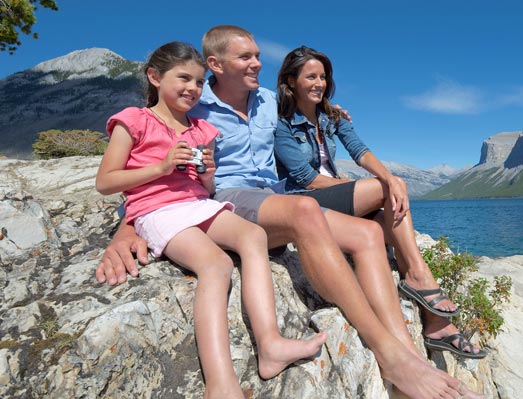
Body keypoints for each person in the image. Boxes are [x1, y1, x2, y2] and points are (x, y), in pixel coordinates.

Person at [97, 26, 481, 399]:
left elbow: (310, 111)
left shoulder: (268, 101)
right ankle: (387, 352)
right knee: (304, 209)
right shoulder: (192, 103)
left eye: (258, 56)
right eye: (245, 57)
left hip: (273, 198)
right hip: (231, 196)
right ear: (214, 64)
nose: (257, 63)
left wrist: (331, 109)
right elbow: (151, 166)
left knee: (368, 235)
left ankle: (409, 357)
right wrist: (129, 225)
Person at [94, 42, 326, 399]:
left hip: (197, 204)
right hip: (156, 210)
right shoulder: (134, 120)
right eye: (183, 78)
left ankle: (270, 344)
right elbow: (105, 181)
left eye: (200, 82)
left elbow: (205, 185)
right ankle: (220, 384)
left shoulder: (201, 129)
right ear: (154, 77)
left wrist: (207, 176)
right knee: (216, 265)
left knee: (253, 237)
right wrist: (161, 167)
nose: (193, 88)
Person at [274, 46, 485, 359]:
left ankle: (436, 323)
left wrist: (389, 178)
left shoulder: (332, 117)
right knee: (383, 190)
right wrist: (364, 188)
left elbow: (359, 150)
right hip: (303, 202)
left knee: (390, 216)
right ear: (291, 81)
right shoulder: (281, 124)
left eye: (323, 77)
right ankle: (418, 278)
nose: (319, 83)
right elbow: (307, 178)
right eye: (311, 77)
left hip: (335, 198)